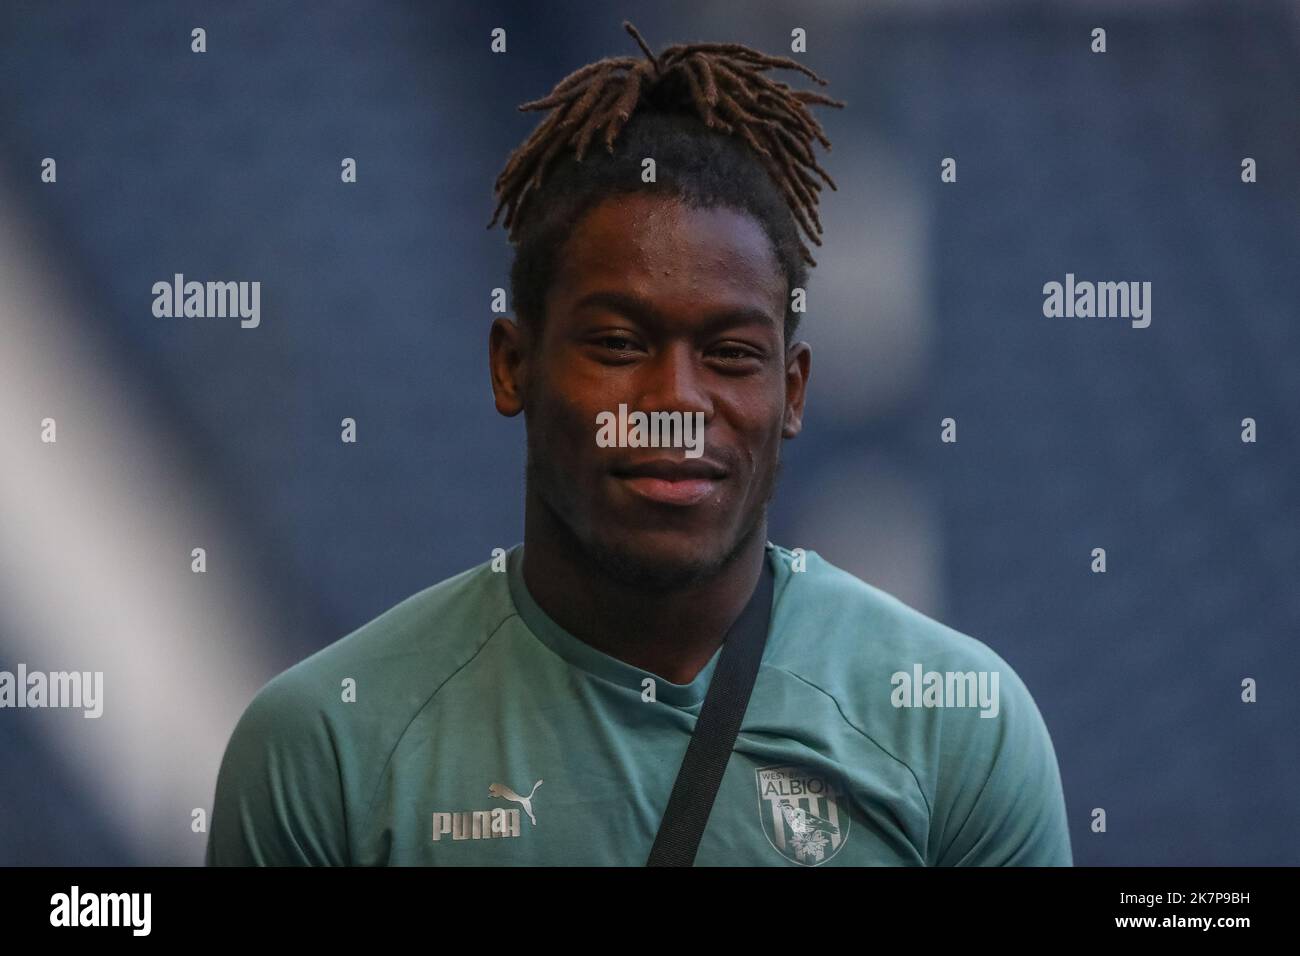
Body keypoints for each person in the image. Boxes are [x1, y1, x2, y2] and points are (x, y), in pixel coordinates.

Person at [207, 21, 1071, 867]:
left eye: (731, 355)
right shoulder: (324, 750)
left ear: (793, 392)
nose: (675, 403)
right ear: (513, 368)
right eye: (620, 345)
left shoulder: (958, 727)